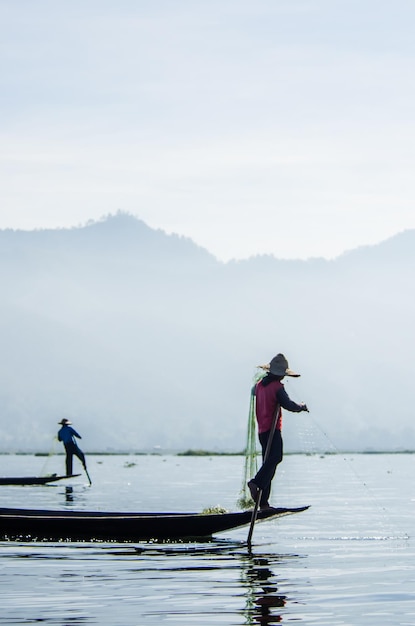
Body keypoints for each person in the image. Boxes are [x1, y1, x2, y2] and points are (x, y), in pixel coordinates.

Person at [248, 353, 308, 510]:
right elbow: (288, 405)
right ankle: (255, 483)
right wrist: (301, 407)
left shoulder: (260, 385)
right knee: (275, 458)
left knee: (269, 463)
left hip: (262, 431)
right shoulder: (277, 388)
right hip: (272, 430)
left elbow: (254, 391)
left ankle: (263, 503)